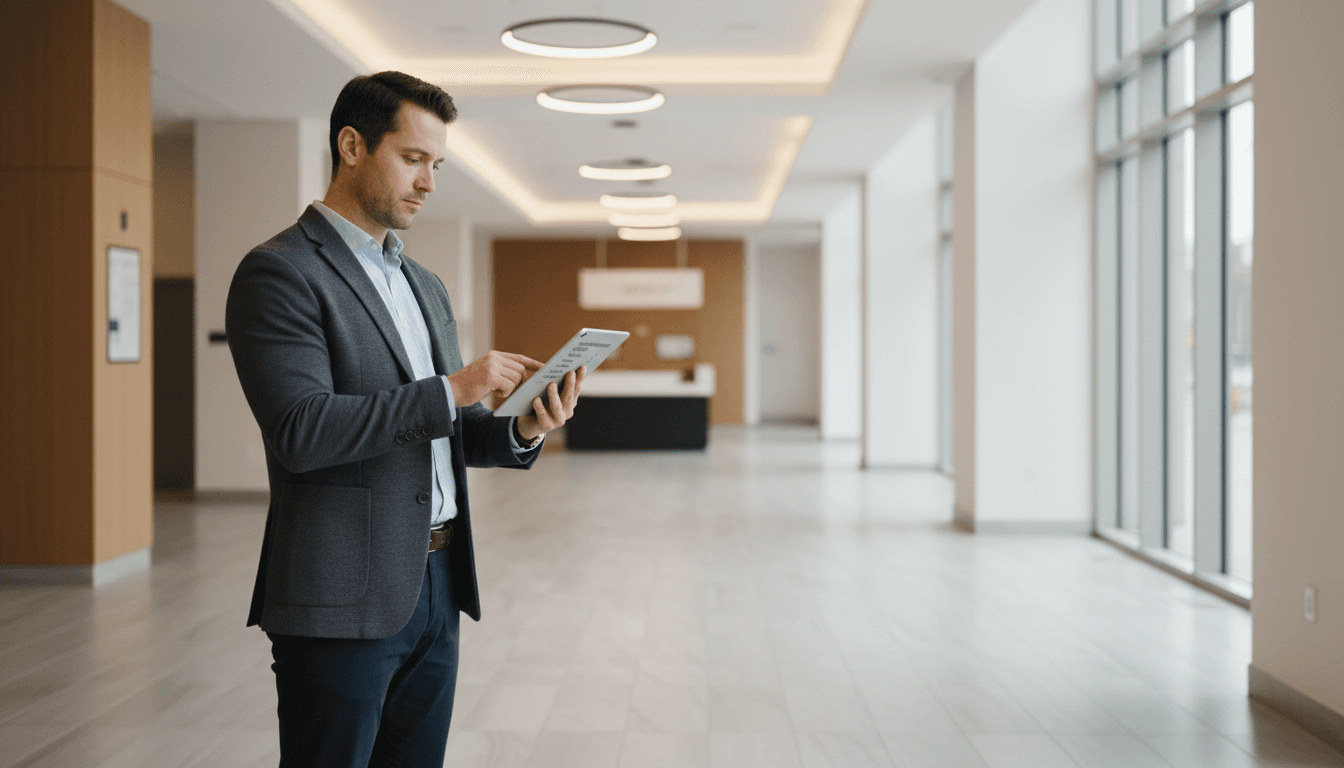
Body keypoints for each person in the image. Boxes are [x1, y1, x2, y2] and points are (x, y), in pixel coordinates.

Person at [224, 71, 584, 768]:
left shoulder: (424, 284)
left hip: (437, 586)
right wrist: (452, 389)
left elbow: (447, 428)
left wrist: (524, 426)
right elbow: (302, 431)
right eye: (413, 159)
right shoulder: (280, 273)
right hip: (340, 597)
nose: (429, 182)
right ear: (352, 146)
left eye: (437, 166)